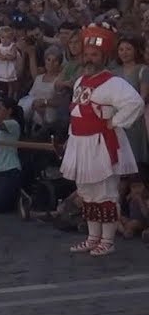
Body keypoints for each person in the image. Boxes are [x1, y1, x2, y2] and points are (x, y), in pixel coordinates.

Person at [60, 21, 146, 256]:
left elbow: (135, 103)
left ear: (104, 57)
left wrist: (115, 122)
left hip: (101, 144)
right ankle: (92, 238)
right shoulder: (80, 81)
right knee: (87, 192)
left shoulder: (113, 82)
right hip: (80, 142)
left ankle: (107, 240)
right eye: (87, 54)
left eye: (94, 55)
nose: (89, 59)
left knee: (105, 192)